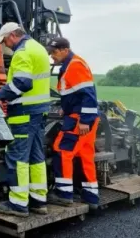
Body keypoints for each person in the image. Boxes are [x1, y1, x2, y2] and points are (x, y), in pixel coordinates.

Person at [0, 22, 52, 217]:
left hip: (23, 113)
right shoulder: (38, 48)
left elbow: (22, 82)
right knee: (36, 157)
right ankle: (38, 201)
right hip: (39, 112)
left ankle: (18, 205)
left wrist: (2, 95)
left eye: (5, 41)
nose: (6, 45)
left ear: (11, 35)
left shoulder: (22, 52)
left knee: (17, 157)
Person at [45, 37, 100, 209]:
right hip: (81, 118)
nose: (52, 56)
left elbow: (88, 95)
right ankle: (91, 197)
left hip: (79, 120)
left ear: (64, 50)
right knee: (85, 156)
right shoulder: (71, 64)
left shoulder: (74, 65)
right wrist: (65, 108)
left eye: (54, 52)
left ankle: (64, 194)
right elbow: (74, 93)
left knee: (62, 151)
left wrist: (84, 121)